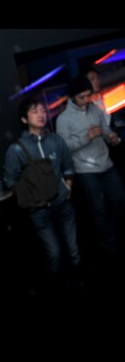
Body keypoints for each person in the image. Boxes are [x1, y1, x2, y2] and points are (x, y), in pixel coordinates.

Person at [3, 97, 82, 294]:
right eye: (34, 111)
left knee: (73, 251)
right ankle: (59, 289)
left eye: (43, 110)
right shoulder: (17, 149)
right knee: (54, 254)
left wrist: (67, 189)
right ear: (24, 119)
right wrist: (29, 195)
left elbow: (68, 166)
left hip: (63, 205)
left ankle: (78, 285)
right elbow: (9, 180)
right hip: (39, 212)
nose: (41, 114)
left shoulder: (56, 140)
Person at [56, 76, 125, 291]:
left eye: (88, 96)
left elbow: (105, 129)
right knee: (99, 209)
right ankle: (110, 248)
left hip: (107, 164)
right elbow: (63, 147)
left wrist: (111, 136)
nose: (86, 100)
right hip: (86, 170)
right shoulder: (64, 119)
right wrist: (85, 137)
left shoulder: (94, 108)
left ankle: (112, 237)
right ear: (73, 97)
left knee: (120, 200)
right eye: (82, 97)